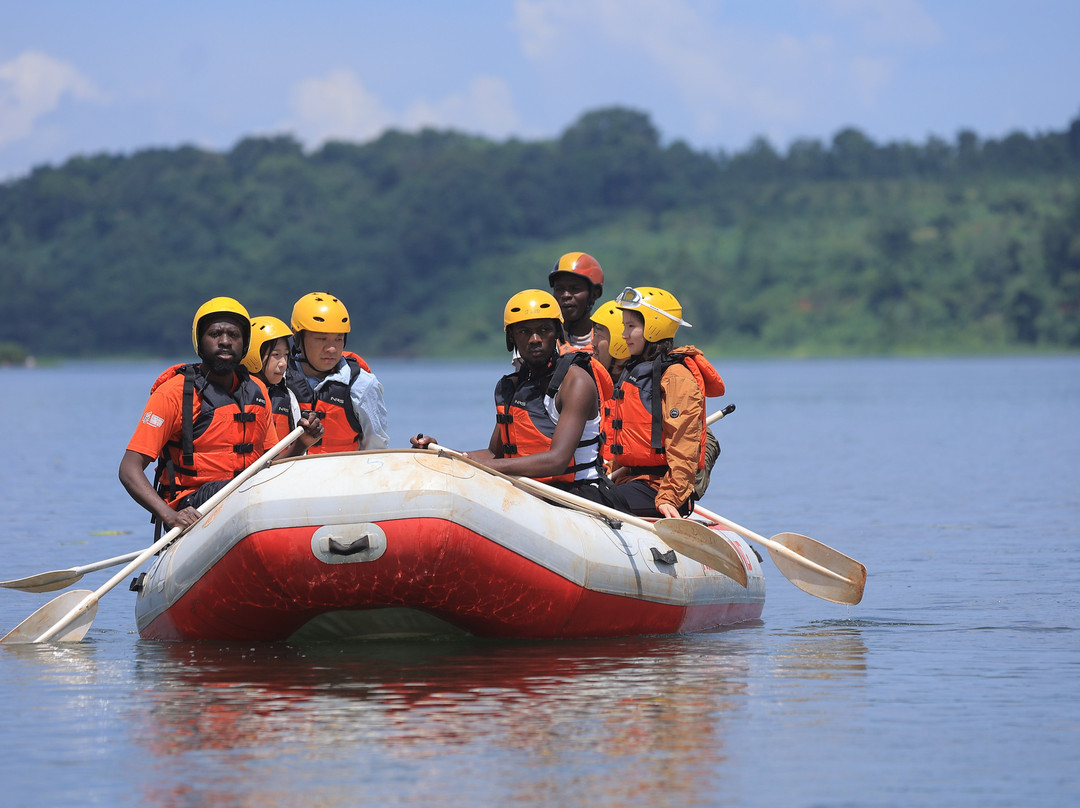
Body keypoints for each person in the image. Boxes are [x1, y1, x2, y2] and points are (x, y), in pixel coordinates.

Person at [119, 297, 325, 534]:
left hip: (248, 499)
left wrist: (302, 443)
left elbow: (269, 466)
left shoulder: (256, 391)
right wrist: (169, 514)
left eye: (234, 335)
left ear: (245, 343)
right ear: (200, 341)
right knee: (238, 491)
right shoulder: (174, 393)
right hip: (194, 506)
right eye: (215, 334)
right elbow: (129, 468)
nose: (225, 341)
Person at [412, 289, 625, 509]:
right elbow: (495, 454)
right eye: (524, 331)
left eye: (544, 329)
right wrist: (444, 454)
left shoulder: (575, 382)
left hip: (580, 494)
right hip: (535, 492)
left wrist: (480, 466)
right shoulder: (513, 387)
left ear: (558, 333)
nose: (535, 339)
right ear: (511, 337)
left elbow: (557, 460)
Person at [609, 286, 726, 518]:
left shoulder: (676, 378)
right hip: (631, 480)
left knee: (596, 501)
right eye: (624, 326)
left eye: (631, 327)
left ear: (653, 327)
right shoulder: (634, 371)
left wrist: (669, 497)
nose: (624, 334)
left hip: (659, 488)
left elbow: (684, 449)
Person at [285, 291, 389, 453]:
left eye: (338, 339)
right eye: (321, 338)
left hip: (343, 475)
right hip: (288, 475)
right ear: (298, 337)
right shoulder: (279, 379)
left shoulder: (362, 385)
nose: (332, 348)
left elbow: (376, 450)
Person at [242, 315, 301, 438]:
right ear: (253, 355)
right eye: (276, 354)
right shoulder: (235, 394)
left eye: (286, 354)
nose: (283, 363)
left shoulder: (288, 396)